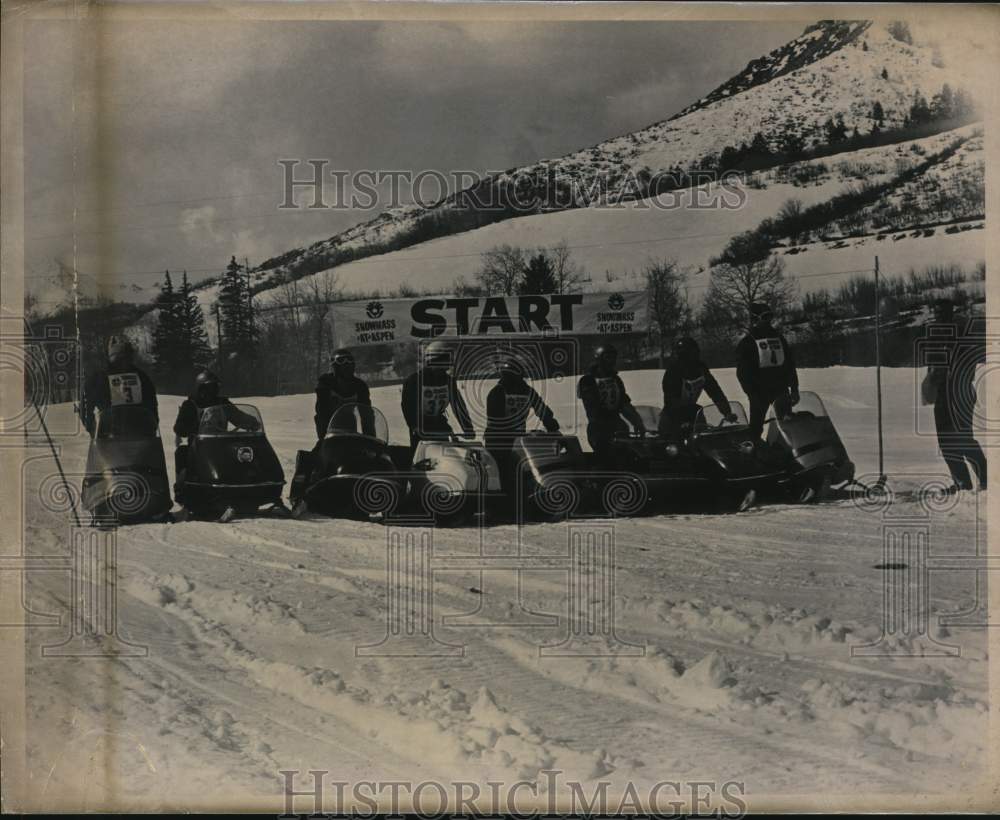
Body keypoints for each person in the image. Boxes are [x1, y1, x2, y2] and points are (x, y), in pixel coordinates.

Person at [927, 298, 987, 492]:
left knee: (962, 439)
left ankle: (987, 480)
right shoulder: (936, 334)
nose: (937, 317)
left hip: (960, 391)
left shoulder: (962, 332)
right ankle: (962, 483)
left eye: (941, 313)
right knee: (946, 441)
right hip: (943, 393)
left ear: (949, 313)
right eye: (935, 313)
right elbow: (935, 366)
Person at [485, 356, 560, 489]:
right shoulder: (498, 392)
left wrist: (551, 424)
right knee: (503, 471)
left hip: (516, 438)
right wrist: (550, 423)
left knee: (520, 469)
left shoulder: (526, 391)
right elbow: (495, 419)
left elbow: (542, 409)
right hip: (498, 439)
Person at [736, 302, 799, 439]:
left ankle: (784, 454)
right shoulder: (748, 342)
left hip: (780, 390)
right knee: (755, 429)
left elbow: (789, 365)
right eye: (764, 318)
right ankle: (755, 453)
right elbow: (743, 373)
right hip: (759, 392)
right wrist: (752, 393)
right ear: (755, 320)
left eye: (770, 317)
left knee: (787, 427)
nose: (768, 322)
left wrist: (794, 388)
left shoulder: (779, 338)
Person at [577, 343, 646, 465]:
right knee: (606, 460)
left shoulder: (616, 379)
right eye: (608, 357)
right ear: (599, 359)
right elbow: (592, 408)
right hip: (598, 428)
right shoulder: (587, 381)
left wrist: (637, 422)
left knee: (632, 456)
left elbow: (624, 403)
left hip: (617, 425)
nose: (612, 361)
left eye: (613, 357)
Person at [401, 339, 474, 452]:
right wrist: (414, 426)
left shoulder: (449, 381)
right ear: (433, 361)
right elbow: (408, 406)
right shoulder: (414, 381)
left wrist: (468, 428)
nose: (448, 367)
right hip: (421, 427)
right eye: (445, 361)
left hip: (440, 424)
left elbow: (458, 406)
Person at [79, 335, 159, 437]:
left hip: (122, 436)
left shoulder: (100, 377)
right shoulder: (141, 377)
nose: (124, 363)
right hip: (128, 436)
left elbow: (152, 407)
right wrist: (92, 428)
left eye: (126, 358)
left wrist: (91, 427)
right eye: (121, 358)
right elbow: (152, 407)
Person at [659, 337, 736, 440]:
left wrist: (727, 412)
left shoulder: (701, 369)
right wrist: (683, 418)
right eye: (684, 355)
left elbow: (715, 391)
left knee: (704, 442)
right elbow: (670, 399)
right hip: (672, 417)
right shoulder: (673, 371)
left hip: (693, 413)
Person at [173, 370, 260, 440]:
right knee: (183, 454)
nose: (213, 390)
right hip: (198, 446)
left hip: (221, 444)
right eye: (210, 387)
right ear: (201, 389)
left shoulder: (222, 403)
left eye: (215, 387)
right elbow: (179, 427)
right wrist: (189, 429)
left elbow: (238, 416)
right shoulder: (191, 405)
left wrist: (251, 422)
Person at [313, 348, 374, 439]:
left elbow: (367, 415)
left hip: (350, 426)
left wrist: (371, 439)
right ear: (335, 367)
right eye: (342, 363)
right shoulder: (325, 385)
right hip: (329, 428)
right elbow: (322, 414)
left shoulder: (359, 386)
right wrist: (323, 439)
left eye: (349, 362)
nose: (347, 366)